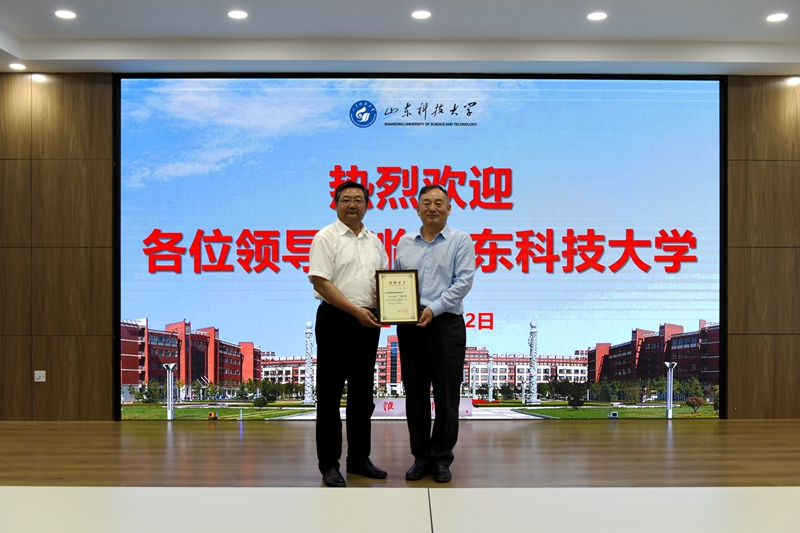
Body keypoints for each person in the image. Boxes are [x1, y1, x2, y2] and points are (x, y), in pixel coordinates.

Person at [308, 181, 389, 487]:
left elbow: (383, 281)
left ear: (367, 205)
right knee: (329, 396)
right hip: (336, 320)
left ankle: (358, 459)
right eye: (345, 200)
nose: (352, 204)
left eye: (358, 199)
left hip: (368, 322)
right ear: (336, 204)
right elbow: (321, 282)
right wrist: (356, 311)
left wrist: (386, 298)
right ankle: (329, 464)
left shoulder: (375, 242)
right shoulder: (326, 237)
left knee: (362, 397)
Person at [394, 184, 476, 483]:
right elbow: (397, 282)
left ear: (448, 209)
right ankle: (420, 457)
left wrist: (434, 308)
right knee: (415, 395)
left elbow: (463, 282)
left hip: (446, 325)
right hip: (410, 325)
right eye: (426, 202)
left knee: (446, 395)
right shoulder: (404, 243)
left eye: (439, 203)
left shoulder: (461, 240)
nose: (432, 208)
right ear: (417, 209)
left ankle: (441, 458)